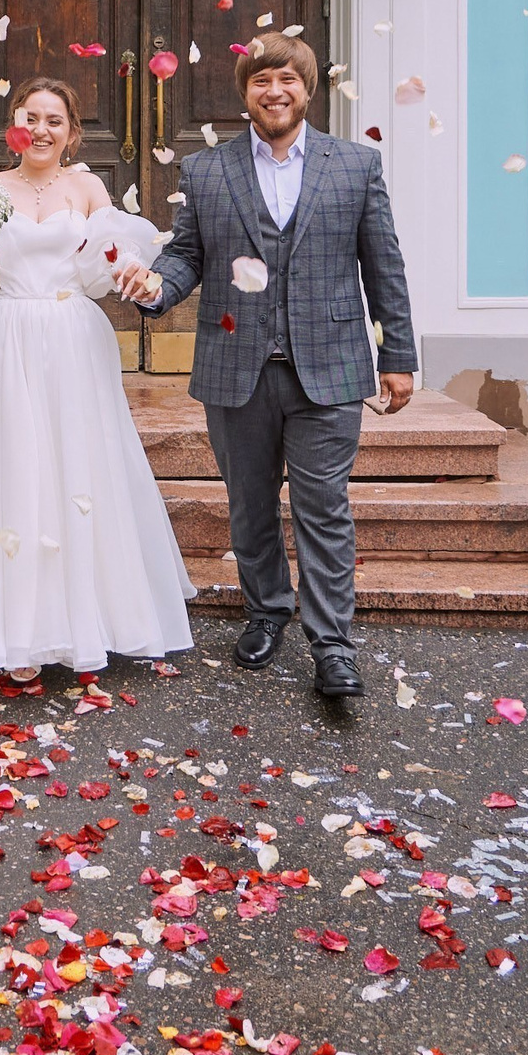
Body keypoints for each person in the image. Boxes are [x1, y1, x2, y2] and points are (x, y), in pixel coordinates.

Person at [115, 36, 415, 699]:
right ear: (244, 91)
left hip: (331, 367)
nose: (273, 91)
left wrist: (397, 355)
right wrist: (155, 288)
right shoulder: (205, 171)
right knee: (249, 504)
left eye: (286, 80)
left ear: (308, 89)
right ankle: (265, 611)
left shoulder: (356, 166)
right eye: (260, 80)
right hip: (235, 367)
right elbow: (186, 256)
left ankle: (333, 642)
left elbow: (383, 266)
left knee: (323, 506)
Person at [0, 77, 193, 682]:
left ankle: (85, 623)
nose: (40, 129)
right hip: (7, 332)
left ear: (71, 130)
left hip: (71, 336)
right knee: (11, 467)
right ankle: (13, 635)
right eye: (29, 117)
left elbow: (105, 266)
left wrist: (131, 273)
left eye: (54, 120)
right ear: (13, 125)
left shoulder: (87, 187)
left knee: (78, 466)